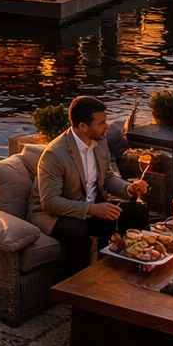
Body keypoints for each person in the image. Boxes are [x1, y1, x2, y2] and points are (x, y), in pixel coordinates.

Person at [28, 95, 149, 273]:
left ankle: (122, 267)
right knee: (78, 232)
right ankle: (78, 289)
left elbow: (106, 177)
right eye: (101, 123)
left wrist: (128, 188)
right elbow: (50, 203)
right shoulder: (54, 154)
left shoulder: (99, 141)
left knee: (138, 211)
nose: (107, 127)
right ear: (83, 126)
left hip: (91, 207)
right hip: (56, 215)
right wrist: (91, 209)